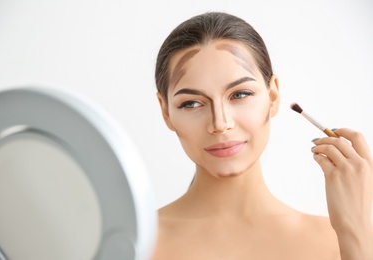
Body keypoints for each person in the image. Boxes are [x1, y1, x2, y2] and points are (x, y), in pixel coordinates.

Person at [152, 12, 373, 259]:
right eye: (192, 103)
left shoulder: (339, 241)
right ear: (166, 111)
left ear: (273, 96)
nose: (220, 123)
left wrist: (356, 228)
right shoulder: (133, 241)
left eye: (240, 94)